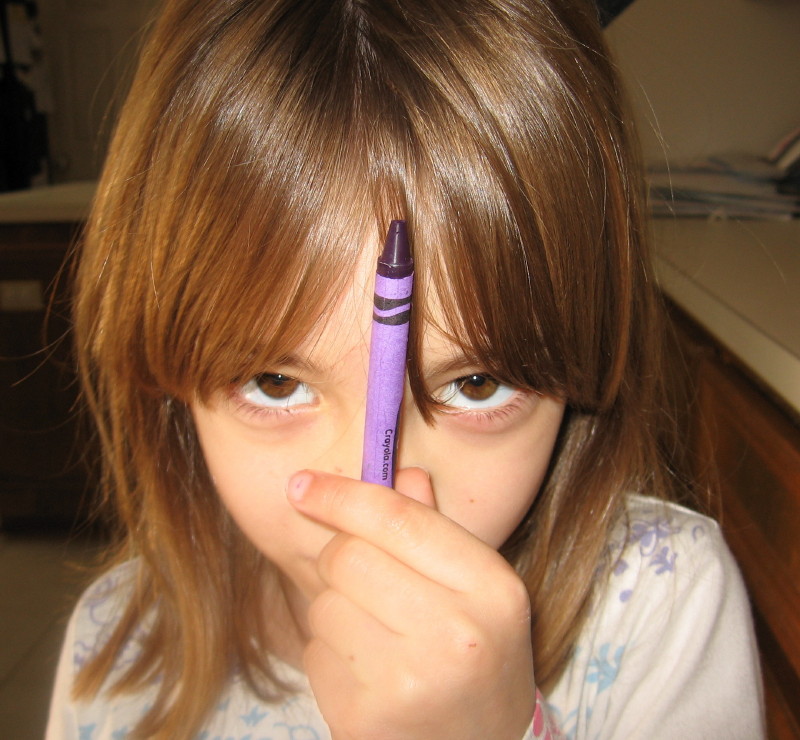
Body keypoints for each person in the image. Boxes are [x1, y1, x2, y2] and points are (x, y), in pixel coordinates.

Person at [46, 0, 764, 738]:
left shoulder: (664, 604)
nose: (376, 489)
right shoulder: (118, 658)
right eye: (276, 382)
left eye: (476, 383)